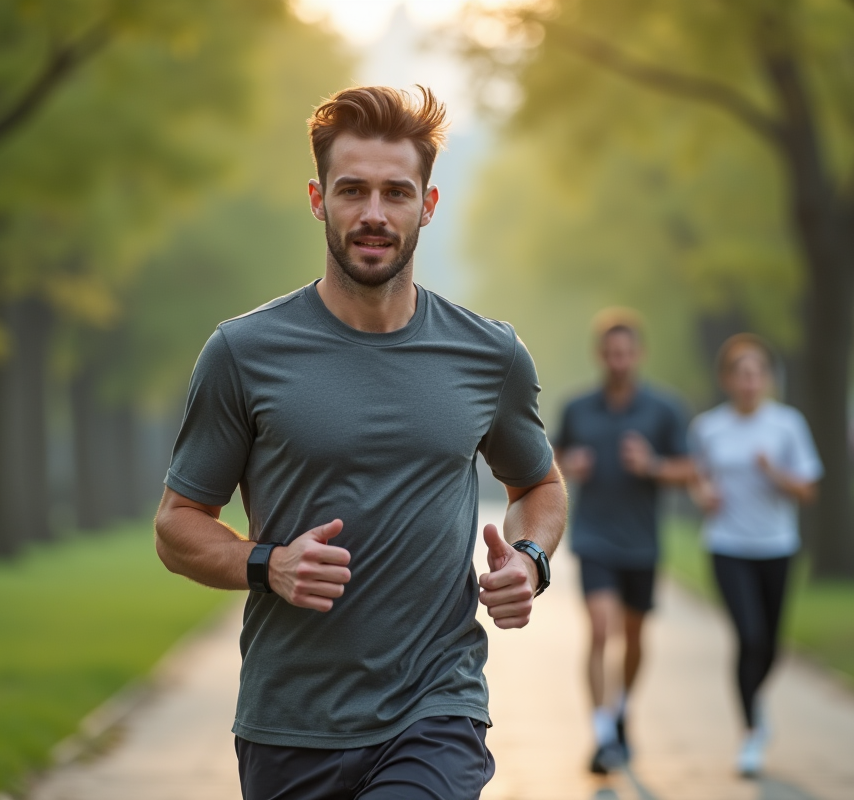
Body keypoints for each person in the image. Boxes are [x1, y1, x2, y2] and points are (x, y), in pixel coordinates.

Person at [153, 85, 567, 800]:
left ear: (426, 206)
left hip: (436, 708)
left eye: (396, 193)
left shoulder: (489, 354)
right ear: (318, 199)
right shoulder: (243, 352)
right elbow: (176, 526)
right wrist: (268, 564)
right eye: (353, 191)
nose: (374, 214)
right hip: (291, 722)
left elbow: (539, 486)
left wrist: (528, 560)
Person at [552, 309, 695, 775]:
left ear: (639, 355)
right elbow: (546, 459)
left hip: (641, 542)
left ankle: (621, 711)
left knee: (633, 639)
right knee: (599, 629)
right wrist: (568, 463)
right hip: (593, 536)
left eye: (626, 353)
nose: (618, 361)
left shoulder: (664, 409)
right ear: (600, 355)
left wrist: (652, 465)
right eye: (610, 353)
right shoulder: (577, 408)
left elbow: (690, 469)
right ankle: (601, 732)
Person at [688, 334, 821, 778]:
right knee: (750, 636)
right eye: (741, 373)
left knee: (773, 646)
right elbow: (696, 477)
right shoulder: (709, 428)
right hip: (727, 545)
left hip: (776, 546)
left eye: (757, 373)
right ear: (727, 379)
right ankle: (750, 734)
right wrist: (703, 493)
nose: (750, 381)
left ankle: (753, 701)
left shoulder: (787, 425)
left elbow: (808, 490)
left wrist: (773, 473)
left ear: (767, 378)